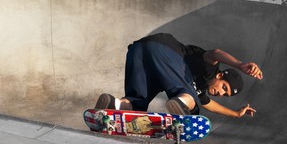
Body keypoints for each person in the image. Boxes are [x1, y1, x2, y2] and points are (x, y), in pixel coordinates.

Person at [95, 33, 263, 118]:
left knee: (136, 104)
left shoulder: (201, 90)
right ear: (220, 76)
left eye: (224, 94)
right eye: (223, 87)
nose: (220, 93)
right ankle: (180, 102)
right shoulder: (210, 68)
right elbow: (216, 53)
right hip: (165, 50)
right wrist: (240, 65)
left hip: (139, 50)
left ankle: (113, 104)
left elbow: (209, 104)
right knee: (192, 104)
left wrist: (235, 114)